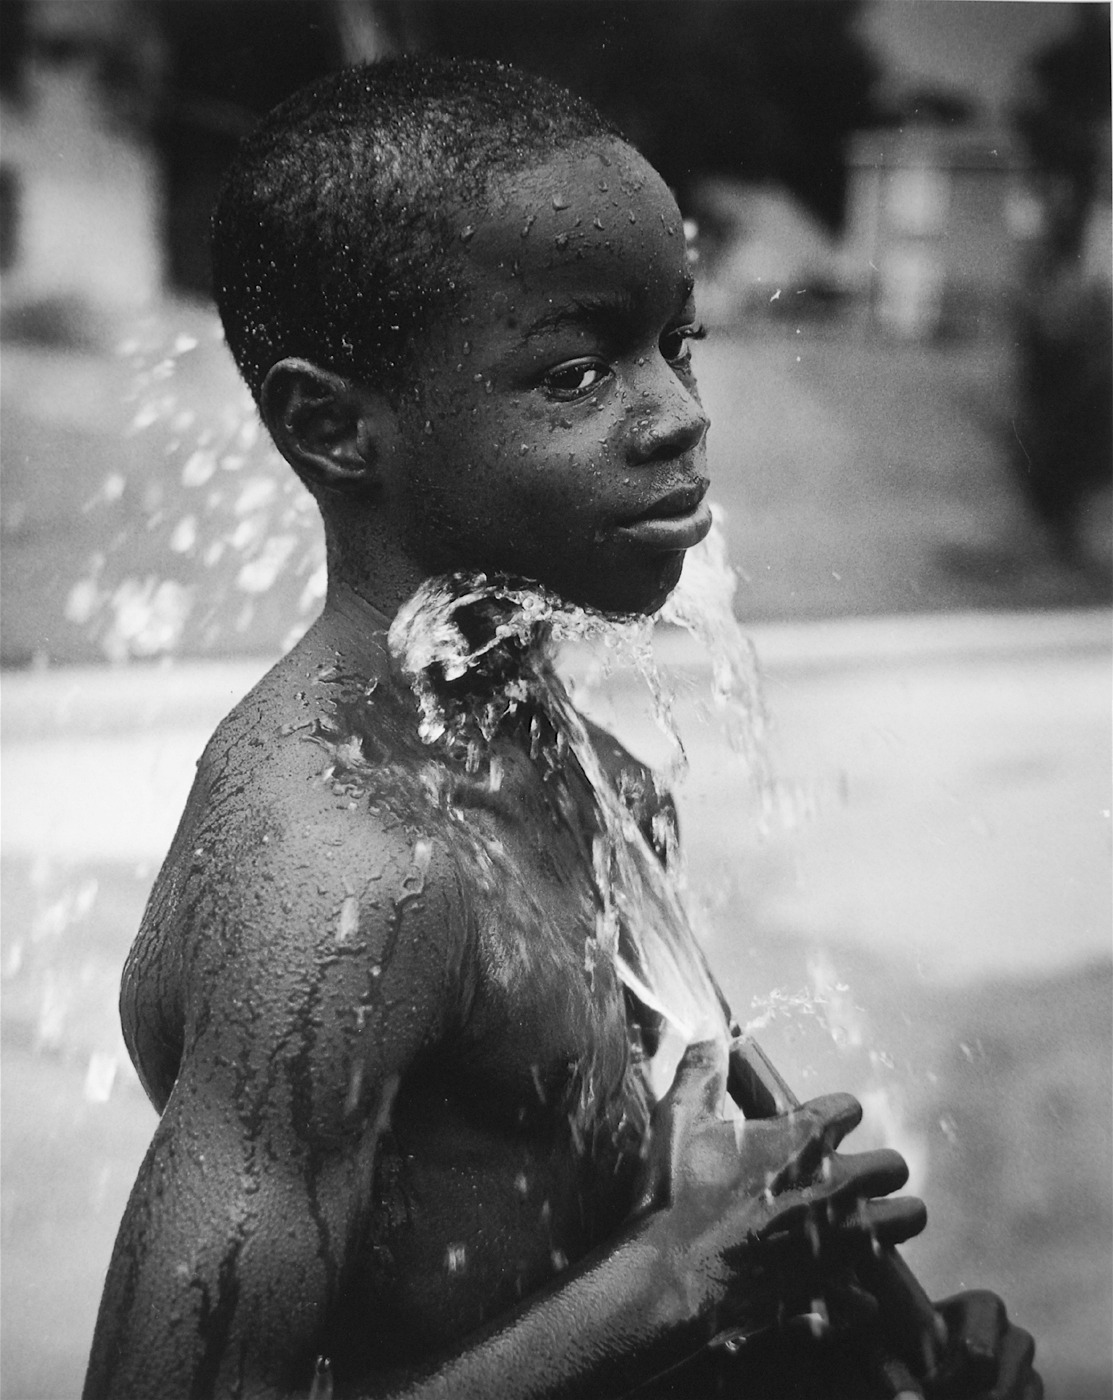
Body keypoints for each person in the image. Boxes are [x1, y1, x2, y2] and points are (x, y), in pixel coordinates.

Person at [84, 58, 1040, 1400]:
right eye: (579, 373)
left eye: (677, 342)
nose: (678, 414)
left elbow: (621, 1202)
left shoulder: (579, 764)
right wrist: (675, 1284)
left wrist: (881, 1342)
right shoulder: (339, 875)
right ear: (329, 424)